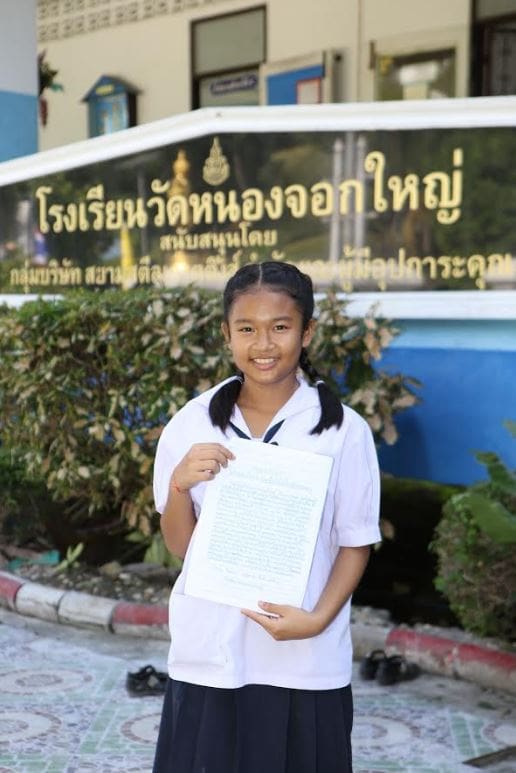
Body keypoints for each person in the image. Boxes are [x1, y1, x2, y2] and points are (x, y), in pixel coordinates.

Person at [152, 260, 381, 773]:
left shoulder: (343, 431)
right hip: (210, 653)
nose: (264, 344)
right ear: (226, 334)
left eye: (280, 327)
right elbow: (183, 548)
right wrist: (179, 485)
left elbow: (355, 541)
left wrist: (316, 620)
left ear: (307, 332)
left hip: (303, 659)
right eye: (247, 329)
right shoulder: (192, 423)